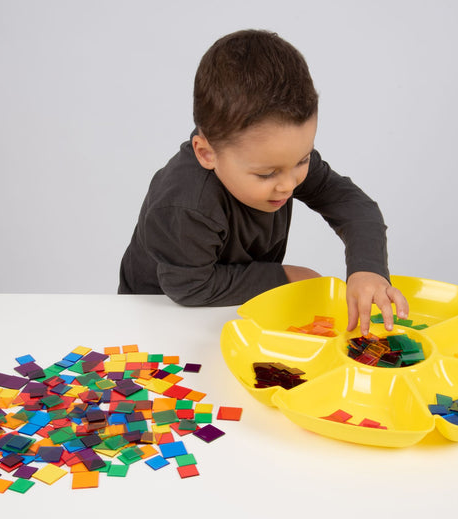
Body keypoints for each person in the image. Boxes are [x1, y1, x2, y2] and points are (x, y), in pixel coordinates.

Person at [118, 29, 408, 335]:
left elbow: (353, 206)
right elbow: (189, 287)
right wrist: (284, 278)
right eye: (267, 174)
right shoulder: (185, 203)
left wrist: (367, 269)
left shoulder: (280, 158)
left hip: (228, 304)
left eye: (302, 160)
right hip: (160, 316)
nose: (288, 184)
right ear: (206, 153)